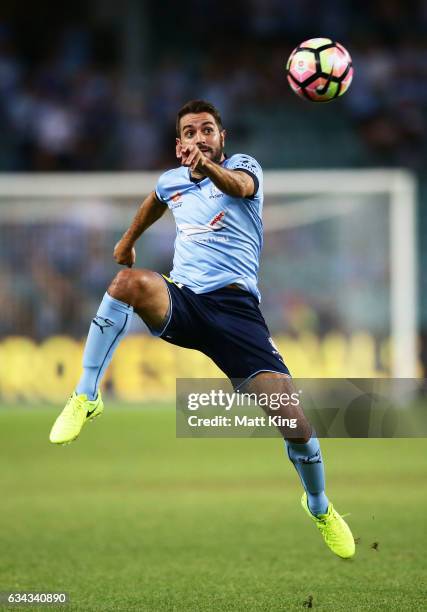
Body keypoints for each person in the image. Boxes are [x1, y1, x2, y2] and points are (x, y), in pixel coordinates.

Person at [49, 99, 355, 559]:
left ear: (221, 137)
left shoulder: (242, 168)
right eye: (190, 133)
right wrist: (127, 241)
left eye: (207, 130)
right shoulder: (172, 180)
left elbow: (238, 185)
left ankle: (319, 506)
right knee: (126, 283)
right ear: (179, 145)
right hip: (186, 301)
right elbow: (156, 199)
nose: (200, 138)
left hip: (237, 314)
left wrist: (208, 167)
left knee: (296, 425)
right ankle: (86, 395)